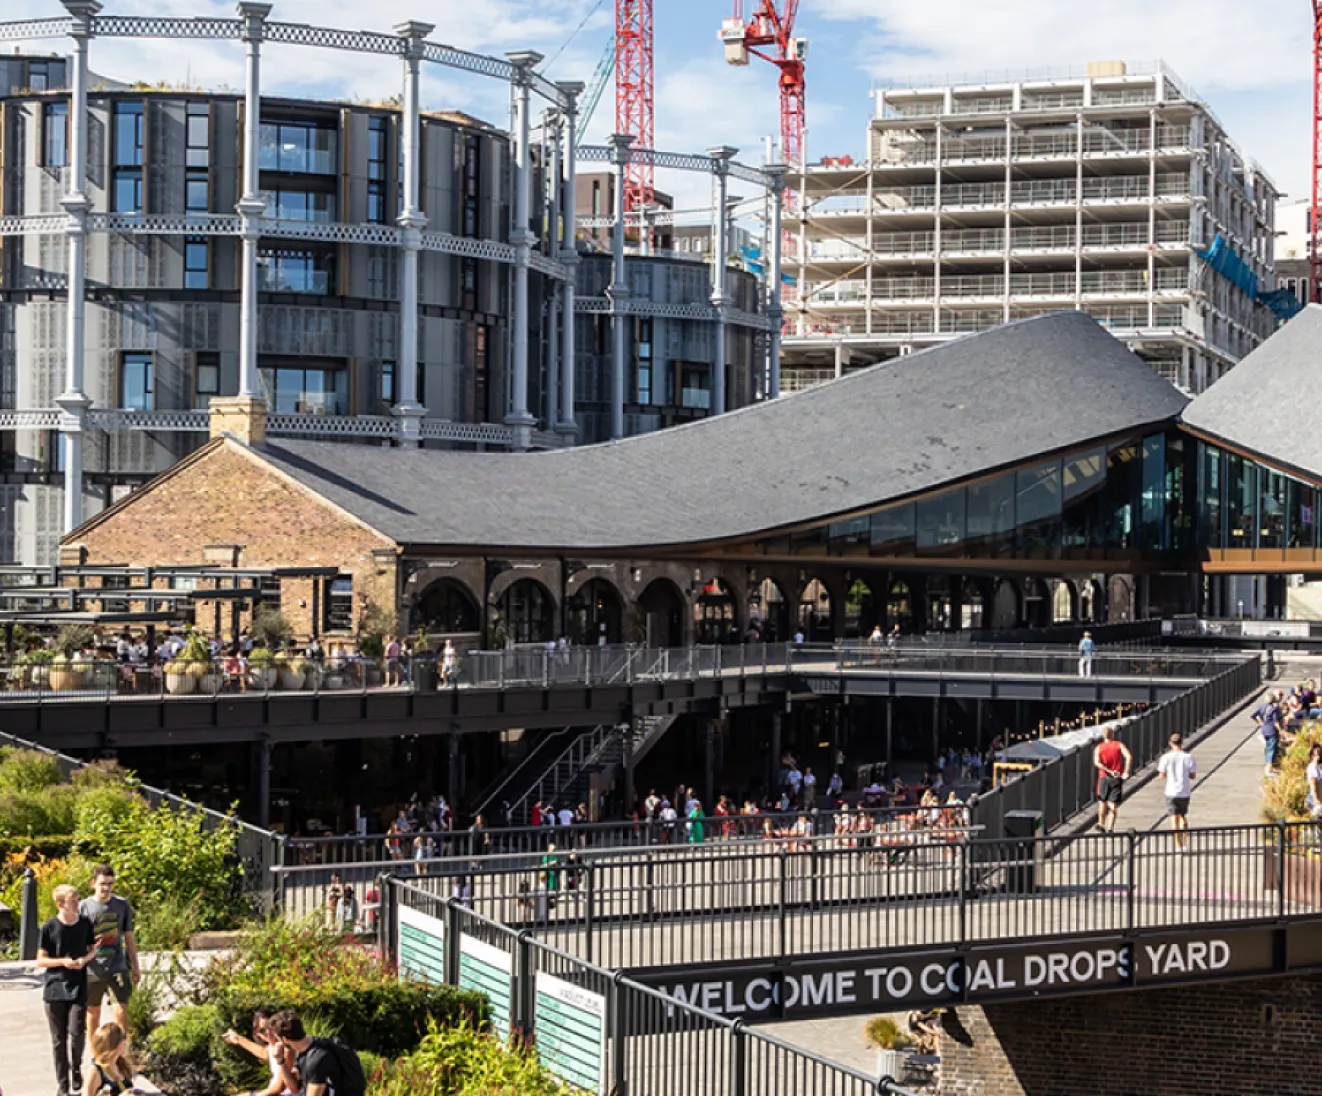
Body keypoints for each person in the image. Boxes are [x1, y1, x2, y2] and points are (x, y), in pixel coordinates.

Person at [37, 883, 99, 1096]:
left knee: (76, 1031)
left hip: (78, 985)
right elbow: (41, 960)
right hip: (55, 987)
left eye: (78, 899)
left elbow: (93, 950)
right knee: (58, 1039)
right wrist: (62, 961)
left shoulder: (84, 924)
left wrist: (84, 959)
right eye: (73, 901)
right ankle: (62, 1085)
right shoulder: (49, 927)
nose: (77, 904)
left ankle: (76, 1069)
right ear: (61, 904)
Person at [80, 864, 138, 1045]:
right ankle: (95, 1054)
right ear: (93, 884)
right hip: (92, 969)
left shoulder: (121, 905)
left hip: (117, 965)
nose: (106, 888)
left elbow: (128, 936)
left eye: (110, 884)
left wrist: (135, 965)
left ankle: (121, 1054)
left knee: (121, 1010)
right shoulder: (84, 907)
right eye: (102, 884)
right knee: (92, 1013)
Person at [270, 1010, 366, 1096]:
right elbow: (294, 1088)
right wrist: (280, 1061)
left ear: (284, 1039)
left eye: (277, 1038)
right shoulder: (304, 1050)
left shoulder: (317, 1059)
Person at [222, 1009, 301, 1096]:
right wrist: (237, 1039)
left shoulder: (286, 1048)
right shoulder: (271, 1048)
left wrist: (253, 1095)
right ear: (257, 1034)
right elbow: (261, 1052)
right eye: (262, 1030)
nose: (268, 1032)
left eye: (270, 1026)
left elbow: (279, 1087)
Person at [1157, 733, 1198, 850]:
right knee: (1183, 817)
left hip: (1171, 791)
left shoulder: (1165, 758)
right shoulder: (1188, 757)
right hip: (1184, 790)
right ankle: (1185, 842)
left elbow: (1162, 776)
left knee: (1173, 819)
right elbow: (1193, 775)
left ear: (1170, 743)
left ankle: (1178, 845)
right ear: (1182, 743)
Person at [1092, 725, 1131, 833]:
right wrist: (1126, 771)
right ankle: (1110, 828)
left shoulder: (1099, 748)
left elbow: (1097, 763)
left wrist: (1108, 771)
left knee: (1102, 802)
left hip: (1103, 777)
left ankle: (1101, 824)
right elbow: (1128, 756)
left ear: (1103, 736)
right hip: (1117, 777)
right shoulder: (1119, 745)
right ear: (1112, 734)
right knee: (1113, 805)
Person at [84, 1023, 141, 1096]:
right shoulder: (95, 1072)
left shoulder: (121, 1064)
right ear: (118, 1045)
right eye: (124, 1040)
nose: (126, 1043)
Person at [1254, 690, 1285, 776]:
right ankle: (1269, 769)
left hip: (1264, 730)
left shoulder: (1262, 707)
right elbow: (1276, 722)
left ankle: (1269, 767)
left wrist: (1259, 722)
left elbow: (1252, 715)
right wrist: (1280, 730)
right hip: (1272, 730)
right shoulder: (1273, 709)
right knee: (1272, 749)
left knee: (1268, 748)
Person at [1307, 744, 1322, 819]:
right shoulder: (1312, 767)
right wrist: (1316, 799)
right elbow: (1313, 784)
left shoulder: (1318, 768)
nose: (1318, 757)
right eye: (1315, 755)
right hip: (1314, 799)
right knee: (1317, 822)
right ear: (1311, 756)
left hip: (1319, 798)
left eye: (1319, 754)